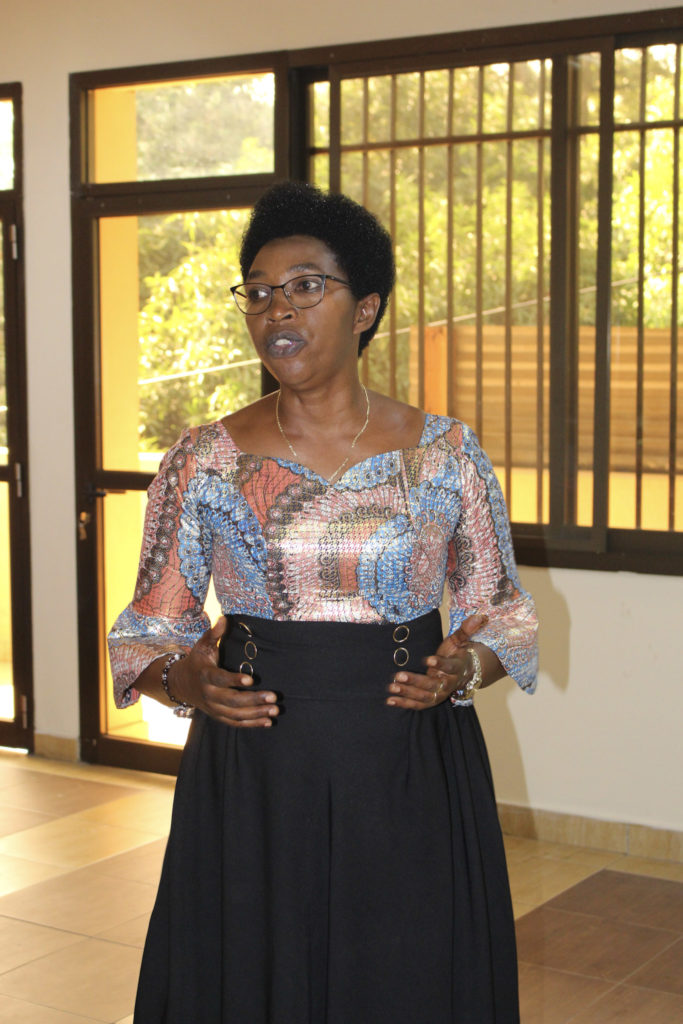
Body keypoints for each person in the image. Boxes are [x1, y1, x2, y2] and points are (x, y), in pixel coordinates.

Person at [108, 180, 538, 1024]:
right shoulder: (204, 460)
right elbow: (149, 629)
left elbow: (503, 610)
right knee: (257, 963)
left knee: (405, 968)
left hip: (408, 754)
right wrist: (183, 683)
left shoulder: (445, 454)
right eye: (258, 291)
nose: (276, 309)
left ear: (365, 307)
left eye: (305, 285)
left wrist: (464, 665)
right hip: (257, 765)